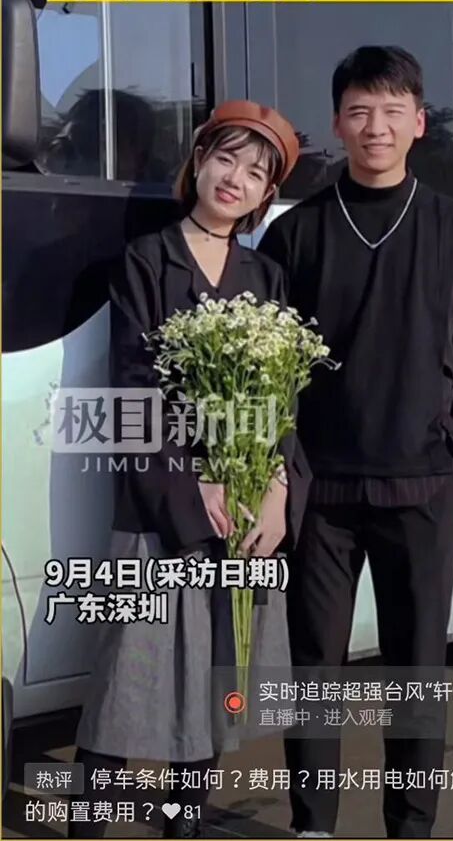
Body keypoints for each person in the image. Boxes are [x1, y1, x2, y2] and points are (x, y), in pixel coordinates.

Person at [258, 46, 453, 840]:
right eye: (360, 111)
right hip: (321, 494)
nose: (376, 126)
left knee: (416, 671)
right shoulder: (294, 235)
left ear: (418, 123)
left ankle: (410, 826)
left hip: (423, 490)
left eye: (392, 110)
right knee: (313, 671)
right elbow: (267, 379)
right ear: (337, 122)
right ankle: (313, 824)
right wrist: (278, 477)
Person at [70, 100, 311, 840]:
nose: (235, 178)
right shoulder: (147, 259)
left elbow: (283, 399)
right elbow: (131, 389)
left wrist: (276, 489)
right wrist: (192, 482)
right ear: (199, 162)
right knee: (127, 681)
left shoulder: (265, 276)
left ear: (267, 192)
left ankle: (184, 823)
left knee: (214, 683)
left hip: (241, 509)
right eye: (225, 158)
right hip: (159, 505)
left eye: (255, 172)